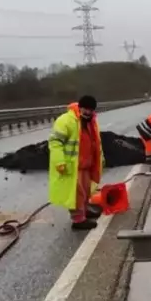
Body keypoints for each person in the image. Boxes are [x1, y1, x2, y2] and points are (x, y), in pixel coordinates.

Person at [48, 95, 104, 230]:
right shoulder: (66, 121)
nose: (88, 112)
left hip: (87, 164)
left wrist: (100, 160)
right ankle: (78, 220)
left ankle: (84, 211)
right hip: (73, 166)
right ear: (80, 107)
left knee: (86, 191)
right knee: (76, 194)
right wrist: (60, 161)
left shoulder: (92, 122)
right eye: (85, 109)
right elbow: (55, 142)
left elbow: (95, 142)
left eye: (91, 110)